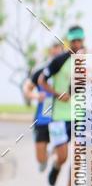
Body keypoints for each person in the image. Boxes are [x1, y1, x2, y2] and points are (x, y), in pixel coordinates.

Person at [37, 26, 86, 186]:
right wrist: (58, 94)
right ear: (68, 41)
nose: (76, 44)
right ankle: (54, 173)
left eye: (79, 40)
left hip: (79, 115)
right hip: (59, 115)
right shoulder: (59, 60)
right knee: (63, 157)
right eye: (73, 41)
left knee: (78, 156)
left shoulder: (86, 61)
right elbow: (41, 80)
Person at [24, 41, 62, 173]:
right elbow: (27, 88)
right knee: (41, 160)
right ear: (51, 52)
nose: (56, 52)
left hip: (59, 118)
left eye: (59, 50)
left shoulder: (66, 71)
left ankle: (54, 158)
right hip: (41, 119)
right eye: (54, 49)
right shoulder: (41, 70)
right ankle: (45, 156)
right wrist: (35, 96)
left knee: (61, 155)